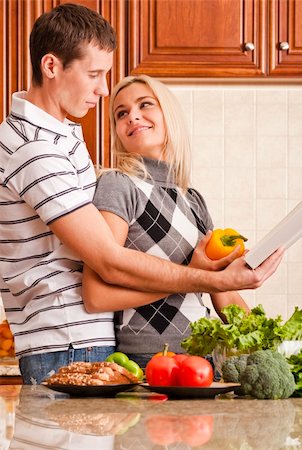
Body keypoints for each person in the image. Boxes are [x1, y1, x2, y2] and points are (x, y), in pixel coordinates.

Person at [0, 3, 283, 384]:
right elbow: (108, 263)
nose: (103, 90)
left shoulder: (61, 137)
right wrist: (209, 278)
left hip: (85, 338)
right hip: (66, 340)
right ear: (52, 67)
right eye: (95, 74)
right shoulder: (35, 148)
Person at [81, 75, 247, 367]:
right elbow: (97, 295)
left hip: (204, 358)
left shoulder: (193, 199)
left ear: (169, 115)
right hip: (146, 361)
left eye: (145, 105)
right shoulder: (118, 185)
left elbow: (222, 290)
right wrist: (192, 278)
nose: (132, 116)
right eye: (121, 113)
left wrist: (269, 341)